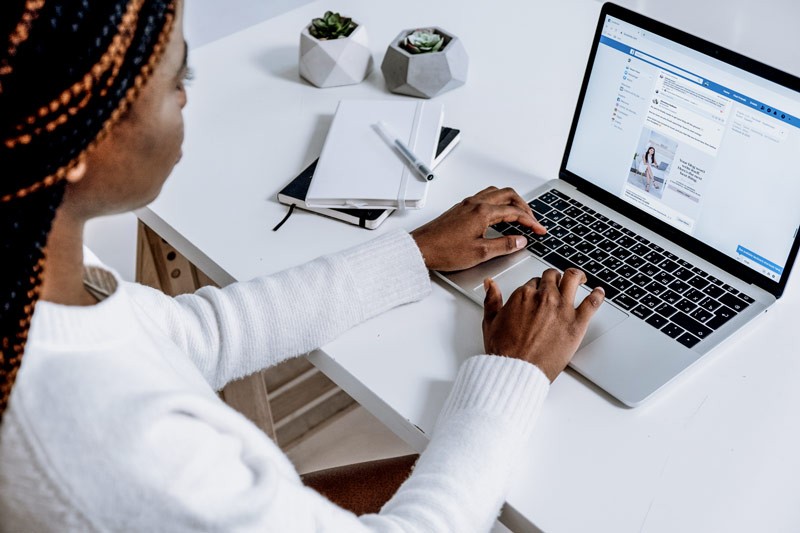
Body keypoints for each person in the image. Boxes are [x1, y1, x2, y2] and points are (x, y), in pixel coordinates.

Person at [0, 1, 605, 531]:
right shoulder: (123, 448)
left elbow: (194, 334)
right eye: (174, 78)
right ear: (73, 141)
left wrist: (414, 251)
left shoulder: (32, 277)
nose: (185, 95)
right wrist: (514, 369)